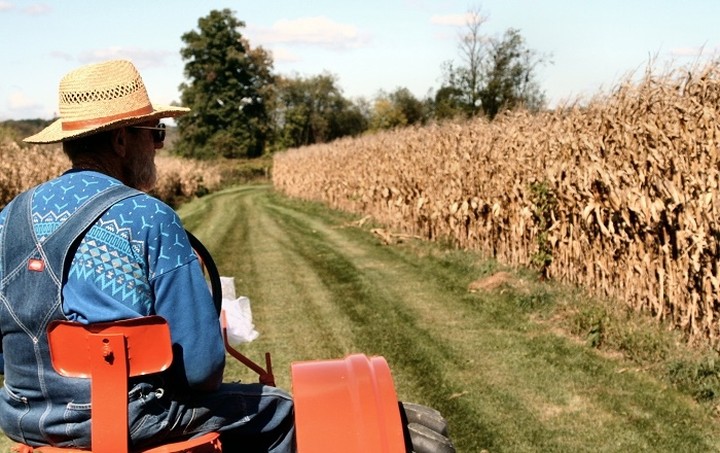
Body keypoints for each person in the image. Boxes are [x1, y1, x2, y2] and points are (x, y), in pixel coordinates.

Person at [0, 59, 295, 452]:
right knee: (280, 410)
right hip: (126, 419)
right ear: (121, 140)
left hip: (24, 419)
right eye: (155, 133)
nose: (158, 146)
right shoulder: (149, 217)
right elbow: (203, 370)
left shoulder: (8, 219)